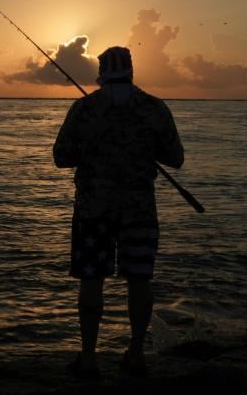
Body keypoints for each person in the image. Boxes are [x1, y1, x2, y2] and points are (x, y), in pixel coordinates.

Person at [53, 46, 184, 379]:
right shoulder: (154, 108)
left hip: (92, 211)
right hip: (139, 209)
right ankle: (136, 353)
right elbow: (176, 158)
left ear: (100, 73)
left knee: (91, 280)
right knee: (139, 279)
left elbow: (61, 157)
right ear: (131, 71)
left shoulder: (84, 109)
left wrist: (90, 147)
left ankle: (87, 359)